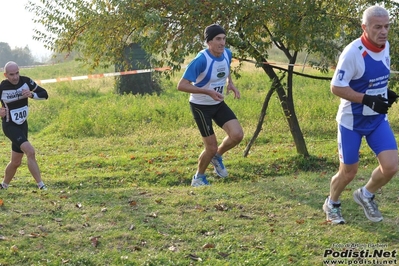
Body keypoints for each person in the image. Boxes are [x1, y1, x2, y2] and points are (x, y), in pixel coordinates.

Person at [323, 5, 398, 224]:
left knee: (392, 166)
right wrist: (367, 99)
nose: (383, 32)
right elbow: (336, 87)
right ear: (364, 27)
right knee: (348, 172)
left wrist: (385, 93)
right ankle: (332, 203)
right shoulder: (353, 53)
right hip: (351, 122)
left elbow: (374, 78)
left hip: (376, 120)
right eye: (377, 27)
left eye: (387, 27)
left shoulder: (386, 46)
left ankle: (365, 195)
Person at [177, 24, 244, 187]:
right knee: (211, 146)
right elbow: (181, 85)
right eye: (218, 39)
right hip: (201, 106)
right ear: (209, 42)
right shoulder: (201, 60)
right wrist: (207, 92)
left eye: (224, 39)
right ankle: (198, 178)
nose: (222, 43)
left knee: (237, 135)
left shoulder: (227, 53)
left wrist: (231, 84)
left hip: (218, 102)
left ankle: (217, 156)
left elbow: (225, 69)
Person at [0, 61, 49, 190]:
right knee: (30, 152)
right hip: (10, 126)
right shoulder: (2, 87)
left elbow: (45, 94)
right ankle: (41, 186)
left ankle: (3, 185)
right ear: (5, 75)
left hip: (22, 125)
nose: (15, 77)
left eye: (17, 73)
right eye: (11, 74)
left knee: (16, 162)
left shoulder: (26, 81)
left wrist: (32, 95)